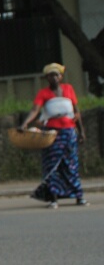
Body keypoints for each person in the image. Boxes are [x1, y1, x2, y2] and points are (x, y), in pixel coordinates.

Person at [18, 62, 87, 209]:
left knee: (71, 166)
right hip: (52, 134)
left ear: (60, 76)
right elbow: (35, 111)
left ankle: (79, 197)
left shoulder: (69, 89)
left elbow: (76, 111)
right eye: (50, 76)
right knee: (52, 166)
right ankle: (53, 198)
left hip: (69, 133)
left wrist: (81, 131)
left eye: (56, 75)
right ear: (47, 78)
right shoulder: (43, 93)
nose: (53, 78)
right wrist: (24, 123)